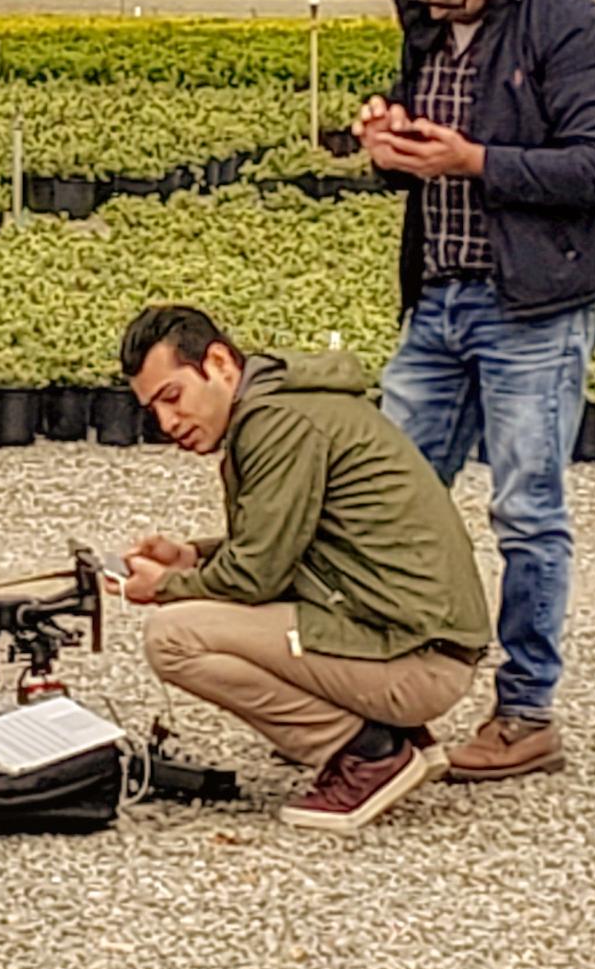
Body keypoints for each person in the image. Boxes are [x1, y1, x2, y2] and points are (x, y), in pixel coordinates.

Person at [355, 0, 595, 782]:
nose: (428, 4)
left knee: (527, 510)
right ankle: (382, 689)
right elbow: (427, 142)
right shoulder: (423, 12)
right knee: (388, 495)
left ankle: (526, 712)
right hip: (439, 292)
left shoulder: (570, 26)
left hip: (536, 303)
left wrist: (471, 159)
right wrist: (390, 145)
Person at [117, 303, 492, 832]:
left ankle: (369, 754)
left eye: (172, 397)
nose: (167, 422)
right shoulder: (291, 406)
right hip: (418, 641)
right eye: (152, 409)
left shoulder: (277, 423)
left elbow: (255, 577)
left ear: (220, 363)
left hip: (418, 661)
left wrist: (168, 586)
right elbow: (288, 543)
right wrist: (195, 556)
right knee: (204, 609)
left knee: (172, 636)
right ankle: (396, 738)